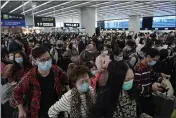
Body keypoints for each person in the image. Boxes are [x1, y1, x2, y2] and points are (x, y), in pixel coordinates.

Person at [10, 45, 69, 118]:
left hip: (56, 110)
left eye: (48, 59)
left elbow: (66, 79)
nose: (47, 62)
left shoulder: (56, 70)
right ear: (35, 61)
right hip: (38, 112)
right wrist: (21, 110)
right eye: (43, 60)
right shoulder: (29, 77)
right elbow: (16, 92)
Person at [133, 48, 167, 116]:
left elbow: (154, 75)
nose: (155, 62)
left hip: (149, 95)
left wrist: (161, 80)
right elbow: (136, 87)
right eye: (154, 60)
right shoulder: (138, 68)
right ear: (148, 57)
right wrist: (151, 88)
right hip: (141, 99)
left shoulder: (148, 67)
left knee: (152, 111)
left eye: (156, 60)